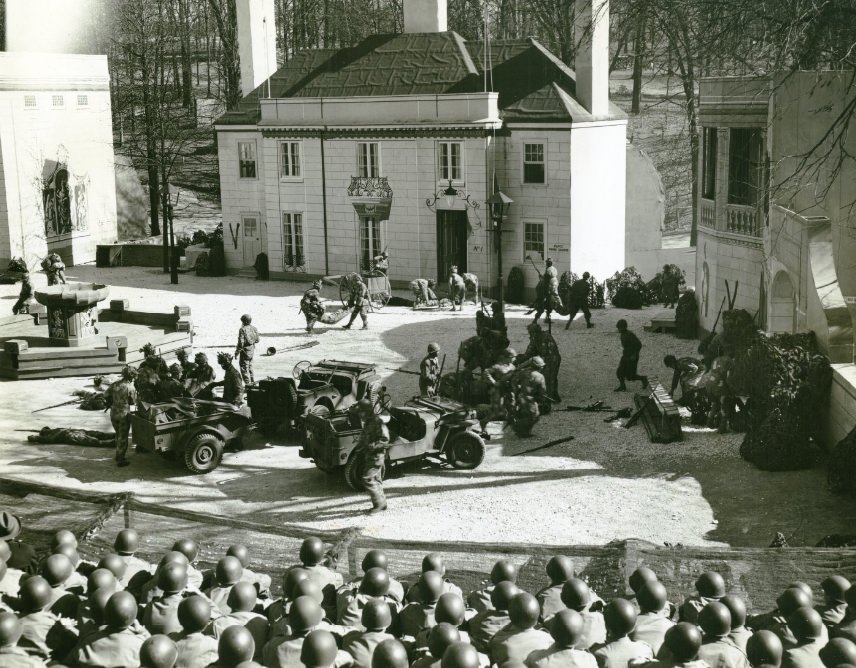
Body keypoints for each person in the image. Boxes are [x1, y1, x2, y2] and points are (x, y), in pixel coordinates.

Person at [353, 399, 390, 514]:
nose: (360, 415)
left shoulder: (377, 422)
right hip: (370, 455)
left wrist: (372, 446)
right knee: (376, 479)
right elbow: (365, 437)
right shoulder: (368, 422)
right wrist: (359, 447)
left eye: (361, 412)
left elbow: (385, 439)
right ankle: (382, 503)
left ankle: (378, 504)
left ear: (367, 411)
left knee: (367, 479)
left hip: (376, 456)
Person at [104, 365, 138, 467]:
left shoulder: (114, 384)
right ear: (131, 376)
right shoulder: (130, 387)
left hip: (113, 413)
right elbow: (133, 402)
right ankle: (120, 459)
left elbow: (105, 395)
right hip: (124, 415)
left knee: (118, 434)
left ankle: (118, 453)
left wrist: (111, 402)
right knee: (123, 437)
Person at [522, 322, 562, 402]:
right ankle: (554, 395)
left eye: (530, 332)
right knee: (553, 377)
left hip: (549, 360)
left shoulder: (537, 338)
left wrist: (523, 358)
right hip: (556, 358)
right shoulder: (547, 335)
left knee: (547, 378)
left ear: (533, 332)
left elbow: (530, 351)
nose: (530, 334)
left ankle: (549, 398)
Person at [511, 356, 549, 438]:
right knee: (534, 416)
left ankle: (524, 432)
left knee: (525, 414)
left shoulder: (523, 372)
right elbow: (542, 391)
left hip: (520, 396)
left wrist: (516, 390)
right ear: (539, 367)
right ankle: (517, 426)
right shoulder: (540, 376)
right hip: (529, 399)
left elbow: (514, 380)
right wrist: (543, 400)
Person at [615, 320, 648, 392]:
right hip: (626, 356)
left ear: (624, 327)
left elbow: (639, 344)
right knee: (619, 372)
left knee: (631, 376)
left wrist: (634, 354)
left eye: (620, 328)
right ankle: (622, 386)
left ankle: (643, 379)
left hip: (632, 357)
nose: (618, 329)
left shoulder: (629, 335)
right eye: (618, 328)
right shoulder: (623, 334)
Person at [235, 314, 259, 386]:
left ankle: (248, 385)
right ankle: (253, 382)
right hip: (251, 350)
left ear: (244, 322)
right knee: (250, 367)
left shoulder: (242, 329)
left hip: (245, 352)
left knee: (244, 368)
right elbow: (257, 340)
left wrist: (237, 353)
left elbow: (240, 343)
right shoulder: (254, 328)